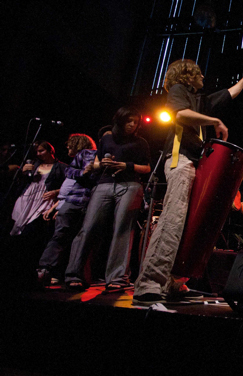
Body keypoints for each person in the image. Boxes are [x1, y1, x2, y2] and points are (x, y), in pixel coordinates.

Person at [133, 57, 243, 305]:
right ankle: (148, 283)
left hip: (194, 163)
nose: (203, 78)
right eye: (199, 74)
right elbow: (179, 115)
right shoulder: (179, 90)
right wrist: (215, 121)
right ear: (188, 74)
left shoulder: (199, 101)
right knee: (173, 220)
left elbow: (227, 94)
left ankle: (173, 283)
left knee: (190, 225)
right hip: (180, 160)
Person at [64, 107, 151, 291]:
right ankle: (75, 274)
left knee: (122, 230)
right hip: (104, 183)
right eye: (129, 121)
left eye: (135, 122)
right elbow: (95, 162)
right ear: (119, 120)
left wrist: (126, 165)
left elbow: (147, 168)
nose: (132, 125)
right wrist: (101, 164)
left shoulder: (141, 142)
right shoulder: (107, 138)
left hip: (130, 184)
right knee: (88, 228)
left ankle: (117, 278)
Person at [37, 134, 97, 285]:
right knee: (63, 237)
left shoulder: (88, 154)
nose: (68, 148)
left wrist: (84, 173)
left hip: (80, 202)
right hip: (71, 201)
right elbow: (70, 178)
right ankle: (50, 272)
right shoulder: (78, 160)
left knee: (67, 238)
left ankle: (53, 273)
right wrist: (57, 205)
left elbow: (83, 178)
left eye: (70, 145)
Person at [7, 141, 67, 280]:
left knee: (33, 232)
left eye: (41, 151)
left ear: (50, 150)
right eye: (37, 152)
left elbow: (69, 186)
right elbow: (21, 182)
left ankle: (35, 268)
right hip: (26, 199)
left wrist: (56, 192)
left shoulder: (61, 167)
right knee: (17, 233)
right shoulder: (33, 165)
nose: (39, 154)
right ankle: (18, 268)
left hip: (43, 201)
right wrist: (22, 172)